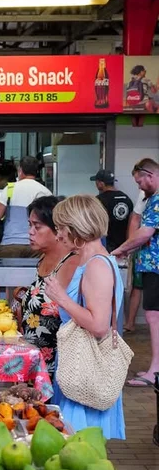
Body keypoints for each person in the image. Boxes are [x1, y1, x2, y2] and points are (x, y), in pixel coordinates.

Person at [45, 195, 125, 440]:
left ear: (77, 228)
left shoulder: (96, 266)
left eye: (61, 228)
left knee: (80, 448)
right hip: (81, 367)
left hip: (84, 371)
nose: (58, 235)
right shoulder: (95, 261)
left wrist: (62, 298)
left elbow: (99, 325)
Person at [15, 196, 78, 377]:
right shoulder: (43, 259)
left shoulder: (71, 264)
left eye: (37, 226)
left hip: (56, 367)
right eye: (30, 225)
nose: (30, 232)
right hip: (35, 363)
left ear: (57, 229)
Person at [113, 159, 159, 387]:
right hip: (151, 266)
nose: (139, 187)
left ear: (150, 175)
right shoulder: (152, 199)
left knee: (154, 317)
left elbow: (146, 232)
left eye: (140, 182)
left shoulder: (158, 200)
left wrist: (121, 249)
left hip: (155, 267)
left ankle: (155, 371)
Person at [0, 156, 51, 257]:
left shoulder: (10, 188)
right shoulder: (45, 191)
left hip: (11, 243)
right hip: (36, 244)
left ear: (20, 170)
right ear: (36, 171)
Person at [90, 169, 133, 253]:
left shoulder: (99, 200)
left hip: (106, 245)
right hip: (124, 245)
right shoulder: (126, 198)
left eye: (96, 182)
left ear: (101, 184)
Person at [124, 190, 148, 333]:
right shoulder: (145, 192)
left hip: (147, 248)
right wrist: (130, 246)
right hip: (145, 249)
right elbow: (135, 218)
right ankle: (130, 322)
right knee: (137, 286)